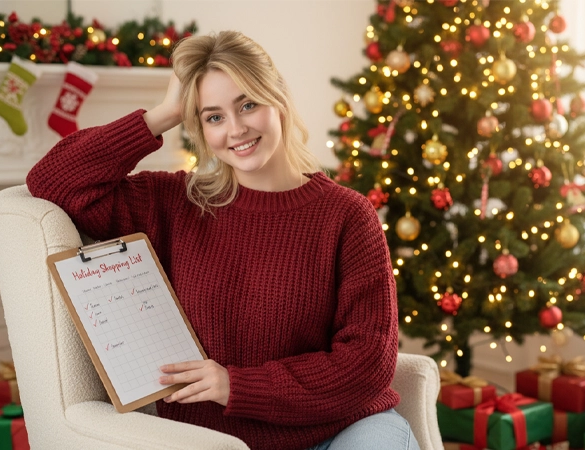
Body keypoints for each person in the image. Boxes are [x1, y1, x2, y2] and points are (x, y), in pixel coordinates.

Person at [26, 31, 420, 450]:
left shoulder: (347, 215)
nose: (236, 129)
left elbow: (367, 363)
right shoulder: (175, 202)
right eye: (213, 116)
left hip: (344, 430)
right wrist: (163, 113)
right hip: (215, 441)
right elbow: (53, 181)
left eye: (247, 104)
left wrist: (236, 385)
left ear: (277, 100)